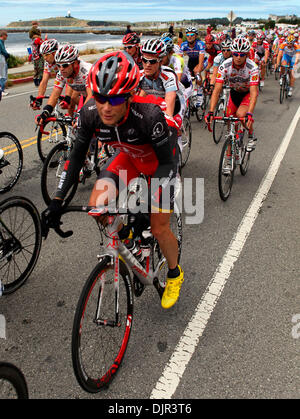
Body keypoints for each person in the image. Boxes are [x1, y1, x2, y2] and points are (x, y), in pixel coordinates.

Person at [41, 51, 184, 309]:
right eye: (101, 97)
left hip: (161, 163)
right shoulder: (90, 113)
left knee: (159, 226)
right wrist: (57, 201)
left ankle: (174, 273)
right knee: (97, 205)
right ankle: (127, 239)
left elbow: (166, 163)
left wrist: (149, 204)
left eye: (116, 98)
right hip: (129, 157)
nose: (106, 106)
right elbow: (75, 159)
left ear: (130, 96)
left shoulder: (150, 115)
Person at [205, 37, 259, 158]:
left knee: (241, 115)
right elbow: (217, 90)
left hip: (247, 94)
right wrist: (211, 111)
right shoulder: (225, 65)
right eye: (235, 54)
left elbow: (254, 92)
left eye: (242, 54)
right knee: (230, 123)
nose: (238, 57)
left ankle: (251, 135)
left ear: (246, 55)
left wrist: (249, 113)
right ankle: (230, 157)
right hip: (234, 93)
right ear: (232, 53)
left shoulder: (253, 68)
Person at [36, 44, 92, 124]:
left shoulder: (87, 72)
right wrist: (46, 112)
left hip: (101, 98)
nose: (61, 69)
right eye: (58, 65)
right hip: (86, 95)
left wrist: (80, 114)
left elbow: (91, 96)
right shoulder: (61, 74)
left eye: (65, 65)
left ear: (75, 63)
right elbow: (55, 94)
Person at [179, 27, 206, 107]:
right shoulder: (184, 45)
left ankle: (200, 94)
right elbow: (179, 59)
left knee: (196, 71)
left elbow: (201, 61)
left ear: (196, 36)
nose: (189, 36)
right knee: (186, 76)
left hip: (201, 60)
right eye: (187, 35)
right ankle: (190, 92)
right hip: (191, 61)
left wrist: (198, 71)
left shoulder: (200, 44)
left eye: (192, 35)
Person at [30, 39, 60, 109]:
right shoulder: (48, 62)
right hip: (62, 78)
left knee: (72, 99)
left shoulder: (62, 60)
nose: (45, 58)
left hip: (76, 79)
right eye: (43, 55)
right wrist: (39, 100)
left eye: (46, 55)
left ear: (54, 53)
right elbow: (44, 81)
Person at [0, 31, 9, 96]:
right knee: (3, 75)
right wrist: (8, 55)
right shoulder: (1, 42)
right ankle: (2, 90)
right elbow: (3, 51)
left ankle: (1, 90)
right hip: (1, 58)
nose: (6, 37)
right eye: (6, 35)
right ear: (3, 35)